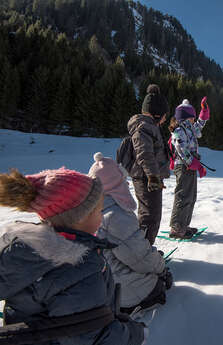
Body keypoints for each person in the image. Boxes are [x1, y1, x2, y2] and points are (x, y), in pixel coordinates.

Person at [0, 168, 147, 345]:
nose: (101, 216)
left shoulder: (26, 253)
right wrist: (135, 334)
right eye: (99, 211)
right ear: (81, 217)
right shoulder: (80, 267)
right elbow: (92, 336)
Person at [88, 153, 173, 314]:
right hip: (120, 290)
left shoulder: (88, 209)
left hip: (97, 284)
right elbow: (140, 258)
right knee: (157, 284)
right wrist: (161, 268)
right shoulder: (116, 215)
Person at [127, 84, 170, 244]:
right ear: (157, 114)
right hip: (146, 178)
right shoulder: (144, 127)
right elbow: (144, 153)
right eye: (165, 115)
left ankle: (144, 250)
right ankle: (141, 252)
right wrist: (152, 176)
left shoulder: (150, 127)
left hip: (150, 178)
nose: (166, 118)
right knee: (149, 217)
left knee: (152, 215)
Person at [169, 97, 210, 239]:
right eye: (193, 117)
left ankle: (184, 224)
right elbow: (181, 149)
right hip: (183, 167)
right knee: (183, 196)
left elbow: (199, 126)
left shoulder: (189, 129)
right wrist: (193, 163)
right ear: (187, 118)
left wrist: (204, 112)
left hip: (190, 166)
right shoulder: (179, 131)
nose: (194, 120)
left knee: (190, 197)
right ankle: (176, 227)